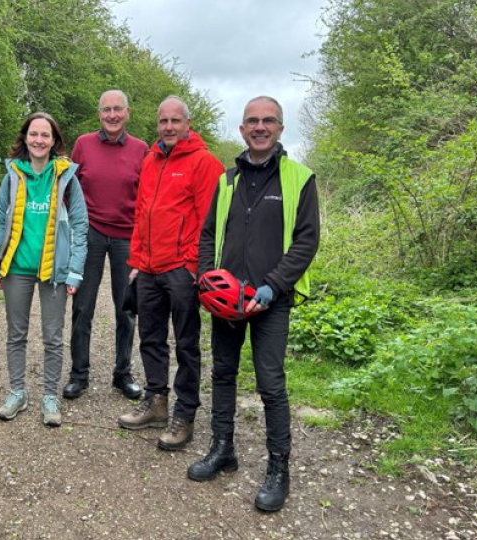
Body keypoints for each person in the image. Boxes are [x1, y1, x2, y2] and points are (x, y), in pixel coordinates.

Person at [188, 96, 320, 513]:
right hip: (227, 301)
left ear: (280, 128)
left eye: (268, 121)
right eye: (251, 121)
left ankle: (278, 469)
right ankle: (222, 448)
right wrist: (207, 279)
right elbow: (207, 233)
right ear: (242, 130)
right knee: (223, 374)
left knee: (270, 384)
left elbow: (306, 240)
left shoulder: (300, 179)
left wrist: (274, 286)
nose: (259, 127)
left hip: (270, 301)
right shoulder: (226, 181)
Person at [117, 96, 223, 450]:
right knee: (150, 337)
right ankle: (157, 400)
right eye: (163, 121)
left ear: (187, 123)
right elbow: (142, 213)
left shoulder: (204, 162)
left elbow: (211, 221)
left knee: (186, 343)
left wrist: (194, 267)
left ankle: (185, 413)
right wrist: (136, 260)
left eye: (175, 121)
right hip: (147, 267)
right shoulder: (151, 159)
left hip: (181, 269)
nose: (169, 127)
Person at [0, 111, 88, 427]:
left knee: (53, 337)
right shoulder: (12, 175)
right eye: (34, 134)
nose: (39, 140)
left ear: (54, 141)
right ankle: (17, 392)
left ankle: (49, 397)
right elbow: (1, 222)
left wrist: (75, 270)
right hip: (17, 267)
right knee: (15, 334)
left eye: (45, 135)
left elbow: (80, 224)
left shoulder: (66, 177)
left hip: (54, 270)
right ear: (25, 138)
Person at [64, 90, 148, 401]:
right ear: (99, 114)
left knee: (126, 309)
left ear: (127, 112)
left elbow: (147, 197)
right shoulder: (83, 144)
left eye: (117, 109)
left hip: (127, 237)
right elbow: (68, 188)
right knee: (82, 306)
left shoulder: (142, 149)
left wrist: (143, 242)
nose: (112, 115)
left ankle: (122, 373)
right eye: (106, 110)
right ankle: (78, 374)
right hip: (90, 235)